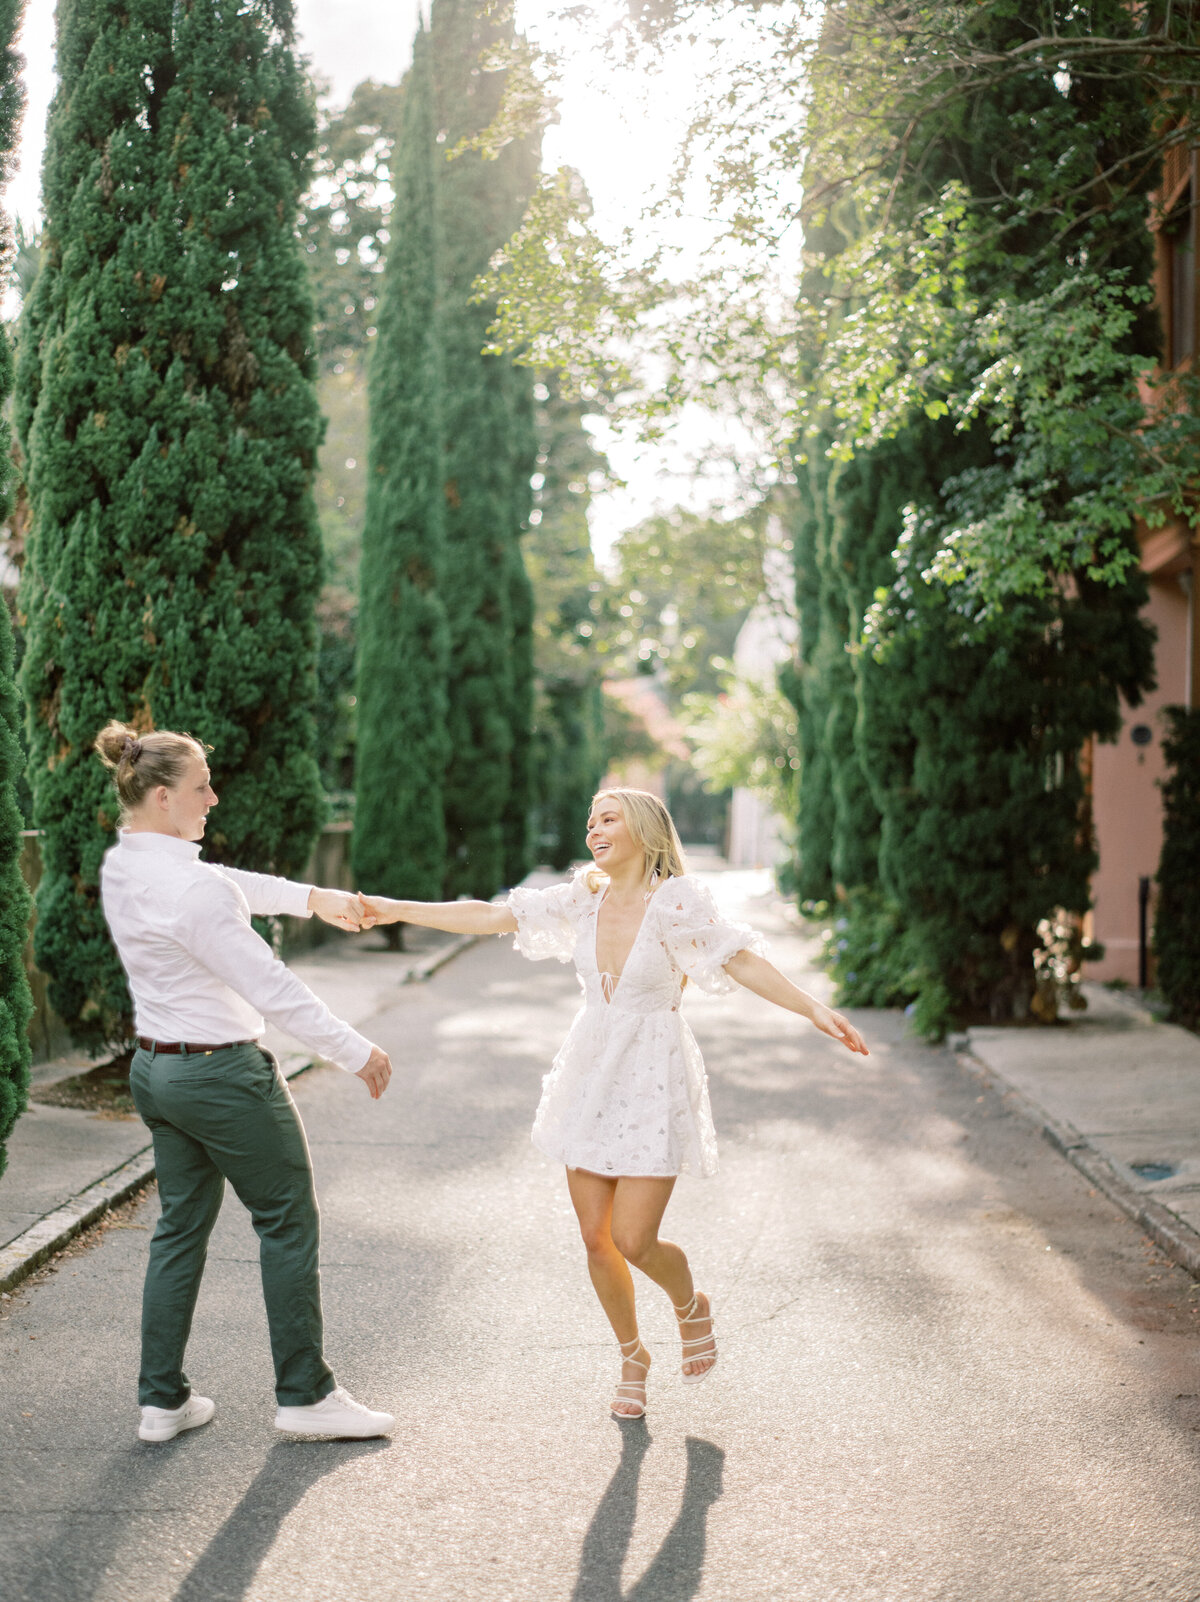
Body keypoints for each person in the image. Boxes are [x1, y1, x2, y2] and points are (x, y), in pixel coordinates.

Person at [360, 786, 869, 1420]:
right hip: (590, 1072)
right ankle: (633, 1356)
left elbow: (737, 961)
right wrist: (393, 909)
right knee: (595, 1239)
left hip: (652, 1074)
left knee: (634, 1237)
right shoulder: (583, 896)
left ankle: (691, 1306)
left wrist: (816, 1009)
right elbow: (492, 916)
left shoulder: (676, 903)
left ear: (645, 830)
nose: (593, 830)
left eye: (608, 819)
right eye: (590, 820)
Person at [94, 720, 395, 1444]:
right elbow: (271, 985)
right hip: (223, 1078)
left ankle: (161, 1402)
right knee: (287, 1221)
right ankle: (306, 1395)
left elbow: (225, 885)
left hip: (157, 1073)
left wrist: (312, 896)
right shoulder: (194, 891)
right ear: (164, 797)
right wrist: (355, 1052)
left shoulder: (124, 866)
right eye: (202, 788)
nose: (214, 798)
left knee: (178, 1232)